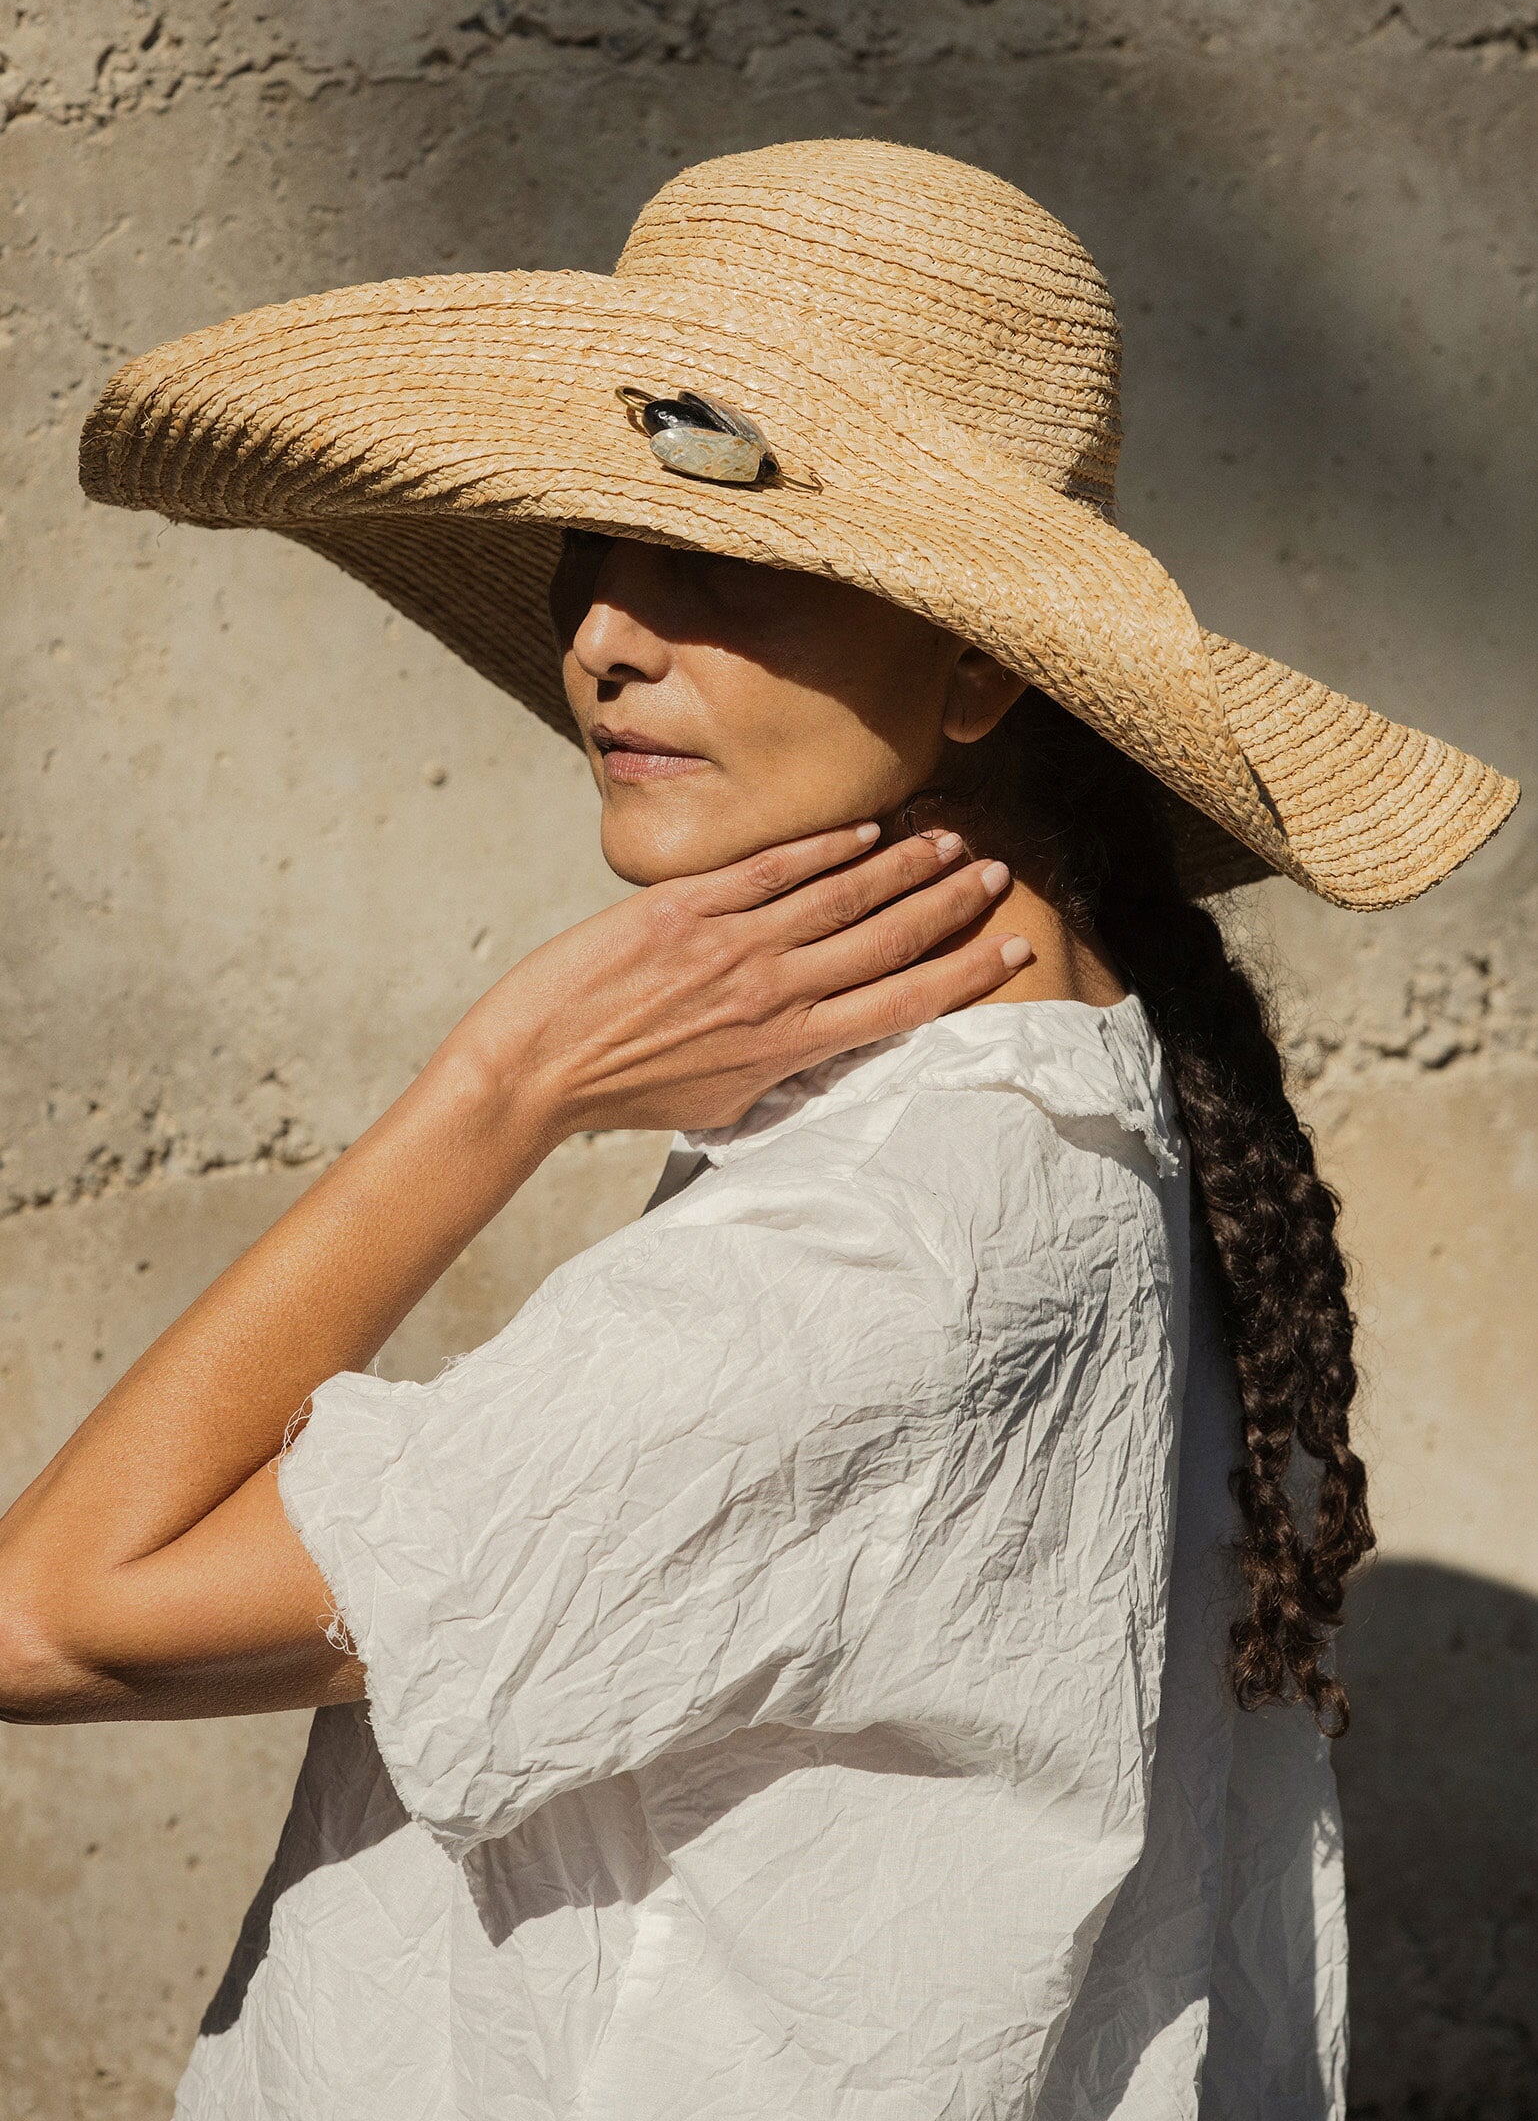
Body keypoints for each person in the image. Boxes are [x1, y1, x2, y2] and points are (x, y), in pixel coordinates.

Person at [0, 141, 1517, 2119]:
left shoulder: (881, 1247)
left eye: (719, 557)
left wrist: (496, 1086)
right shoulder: (1064, 1102)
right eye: (593, 544)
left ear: (984, 661)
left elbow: (47, 1616)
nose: (604, 638)